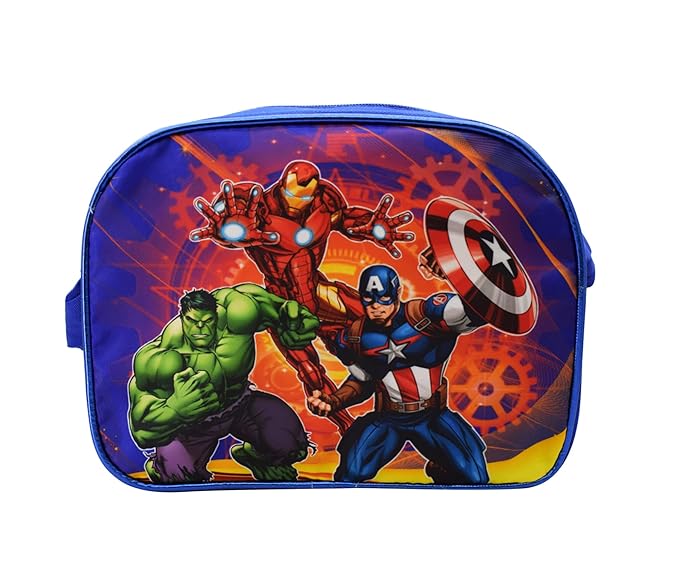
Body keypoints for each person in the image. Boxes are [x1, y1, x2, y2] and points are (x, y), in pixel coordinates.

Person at [189, 160, 415, 433]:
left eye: (306, 197)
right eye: (292, 194)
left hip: (317, 290)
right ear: (282, 186)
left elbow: (345, 219)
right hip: (282, 302)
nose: (298, 203)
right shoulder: (254, 206)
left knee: (378, 326)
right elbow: (229, 227)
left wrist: (372, 225)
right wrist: (228, 228)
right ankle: (347, 427)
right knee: (309, 370)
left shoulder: (324, 203)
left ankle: (405, 398)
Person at [308, 265, 489, 484]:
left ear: (397, 293)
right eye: (369, 299)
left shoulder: (426, 316)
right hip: (389, 420)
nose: (376, 306)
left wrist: (459, 274)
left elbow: (482, 309)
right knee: (350, 474)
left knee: (475, 477)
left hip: (432, 418)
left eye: (384, 298)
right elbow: (362, 380)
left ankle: (443, 467)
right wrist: (333, 401)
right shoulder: (355, 337)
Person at [128, 285, 318, 483]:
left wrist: (294, 323)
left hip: (240, 406)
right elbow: (142, 431)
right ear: (183, 318)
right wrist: (174, 410)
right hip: (192, 428)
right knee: (178, 477)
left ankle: (257, 459)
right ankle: (159, 467)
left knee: (291, 445)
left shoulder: (239, 311)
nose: (200, 328)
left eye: (207, 321)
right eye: (192, 321)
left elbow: (282, 311)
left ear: (216, 315)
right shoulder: (162, 359)